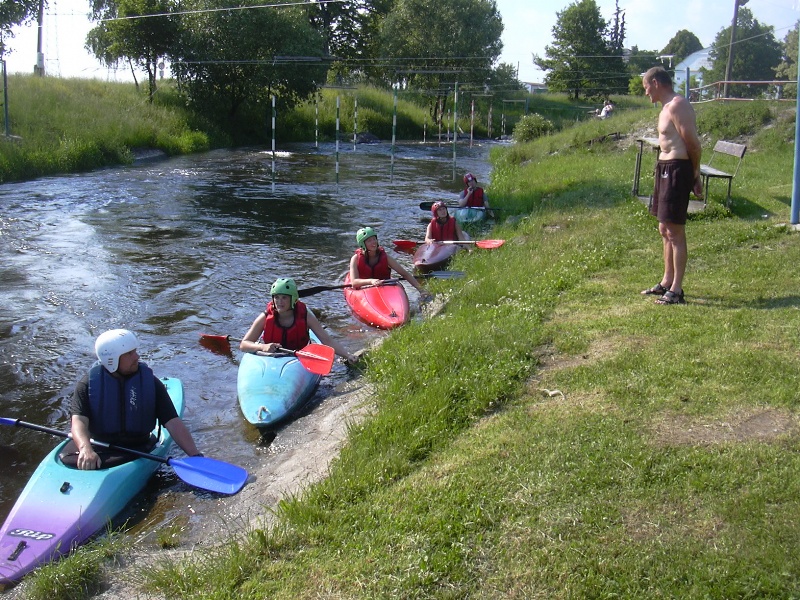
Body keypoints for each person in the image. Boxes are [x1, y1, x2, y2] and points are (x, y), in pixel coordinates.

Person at [63, 329, 202, 470]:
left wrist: (195, 456)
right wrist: (85, 448)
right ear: (112, 359)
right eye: (130, 353)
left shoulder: (150, 383)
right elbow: (78, 421)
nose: (137, 357)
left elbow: (173, 422)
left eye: (135, 351)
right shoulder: (88, 384)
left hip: (138, 447)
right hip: (98, 446)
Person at [640, 66, 703, 305]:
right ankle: (666, 281)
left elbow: (694, 145)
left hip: (678, 169)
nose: (646, 94)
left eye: (646, 88)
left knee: (675, 231)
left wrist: (695, 175)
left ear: (656, 83)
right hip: (665, 168)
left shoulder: (678, 105)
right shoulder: (665, 108)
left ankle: (677, 290)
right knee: (664, 228)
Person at [239, 277, 359, 363]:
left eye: (284, 298)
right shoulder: (265, 317)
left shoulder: (305, 316)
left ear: (293, 299)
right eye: (276, 297)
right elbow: (244, 344)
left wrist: (347, 355)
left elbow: (326, 340)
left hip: (298, 357)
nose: (279, 302)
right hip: (271, 357)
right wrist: (262, 347)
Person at [349, 227, 432, 300]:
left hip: (385, 287)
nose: (373, 242)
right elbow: (354, 282)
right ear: (363, 244)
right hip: (365, 288)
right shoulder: (355, 259)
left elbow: (405, 274)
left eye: (374, 239)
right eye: (369, 241)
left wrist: (421, 290)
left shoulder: (385, 257)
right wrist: (371, 281)